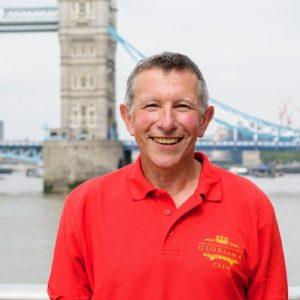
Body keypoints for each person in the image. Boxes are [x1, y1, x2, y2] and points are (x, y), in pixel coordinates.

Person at [48, 52, 288, 299]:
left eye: (182, 106)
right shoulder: (84, 205)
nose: (167, 122)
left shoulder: (252, 205)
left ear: (205, 121)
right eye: (151, 105)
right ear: (128, 119)